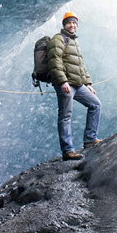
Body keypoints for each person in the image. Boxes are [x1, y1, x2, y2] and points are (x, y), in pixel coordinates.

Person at [46, 11, 101, 160]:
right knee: (65, 116)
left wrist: (88, 83)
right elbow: (54, 61)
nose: (72, 25)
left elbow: (80, 65)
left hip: (78, 84)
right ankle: (68, 151)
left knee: (95, 104)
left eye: (74, 23)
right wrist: (62, 81)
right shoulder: (59, 39)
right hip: (66, 84)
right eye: (70, 22)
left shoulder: (74, 42)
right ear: (64, 24)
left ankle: (90, 139)